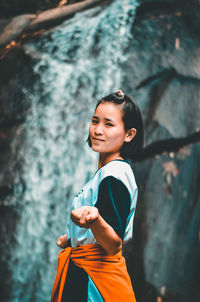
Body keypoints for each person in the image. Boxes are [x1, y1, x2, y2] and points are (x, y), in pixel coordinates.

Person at [50, 90, 144, 302]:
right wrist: (74, 239)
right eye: (95, 121)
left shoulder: (114, 174)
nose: (98, 130)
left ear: (129, 134)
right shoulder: (109, 172)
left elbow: (113, 244)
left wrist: (94, 220)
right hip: (86, 269)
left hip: (94, 280)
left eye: (108, 124)